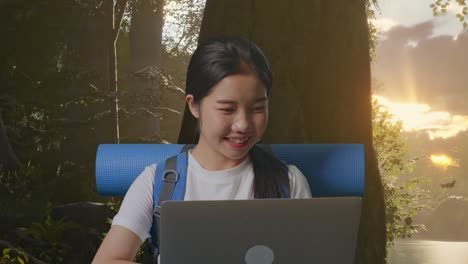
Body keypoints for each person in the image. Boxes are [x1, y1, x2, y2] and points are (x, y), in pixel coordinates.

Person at [92, 36, 312, 263]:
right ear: (193, 105)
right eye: (227, 109)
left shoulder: (288, 182)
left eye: (257, 108)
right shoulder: (158, 182)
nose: (243, 124)